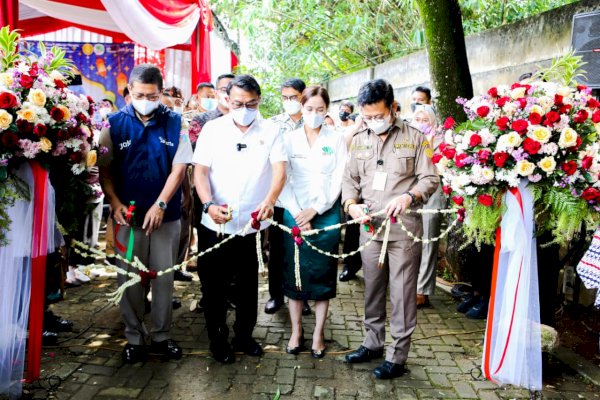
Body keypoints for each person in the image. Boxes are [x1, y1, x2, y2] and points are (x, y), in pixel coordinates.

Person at [342, 79, 438, 379]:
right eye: (367, 116)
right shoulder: (359, 138)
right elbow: (349, 180)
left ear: (393, 109)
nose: (372, 121)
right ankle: (371, 343)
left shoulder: (416, 137)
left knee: (402, 293)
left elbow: (430, 178)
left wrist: (409, 196)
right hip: (370, 228)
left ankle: (397, 356)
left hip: (404, 231)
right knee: (372, 289)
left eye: (378, 116)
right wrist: (351, 205)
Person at [98, 64, 192, 363]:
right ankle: (134, 338)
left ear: (160, 93)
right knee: (129, 278)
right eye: (139, 94)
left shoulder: (176, 123)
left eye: (151, 95)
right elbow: (105, 170)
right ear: (129, 93)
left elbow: (180, 168)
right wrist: (114, 203)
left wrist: (161, 204)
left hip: (166, 217)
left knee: (163, 279)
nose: (145, 99)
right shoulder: (113, 124)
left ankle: (162, 337)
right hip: (128, 217)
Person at [192, 74, 287, 364]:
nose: (244, 108)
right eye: (238, 103)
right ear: (227, 100)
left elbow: (280, 170)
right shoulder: (212, 129)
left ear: (259, 102)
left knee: (247, 285)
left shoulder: (271, 130)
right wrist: (208, 204)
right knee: (213, 285)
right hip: (215, 224)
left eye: (251, 103)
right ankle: (217, 339)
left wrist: (269, 201)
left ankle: (244, 336)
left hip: (253, 223)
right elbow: (200, 172)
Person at [278, 86, 347, 358]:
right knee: (293, 273)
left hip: (326, 213)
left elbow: (339, 178)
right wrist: (298, 212)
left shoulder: (337, 138)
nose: (314, 114)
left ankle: (318, 333)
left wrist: (315, 209)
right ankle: (296, 330)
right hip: (293, 212)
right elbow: (281, 178)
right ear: (301, 107)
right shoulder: (288, 139)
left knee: (322, 273)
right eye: (309, 109)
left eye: (320, 110)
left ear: (326, 109)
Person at [266, 78, 311, 317]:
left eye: (293, 97)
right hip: (280, 198)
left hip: (305, 199)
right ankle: (275, 295)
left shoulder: (316, 122)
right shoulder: (273, 124)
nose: (289, 102)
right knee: (277, 250)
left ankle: (300, 296)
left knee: (301, 250)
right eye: (284, 98)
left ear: (303, 96)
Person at [412, 104, 445, 308]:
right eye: (418, 119)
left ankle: (422, 290)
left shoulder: (442, 140)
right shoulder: (408, 138)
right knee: (410, 240)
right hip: (411, 193)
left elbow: (441, 166)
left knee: (428, 241)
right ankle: (407, 284)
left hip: (433, 195)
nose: (421, 124)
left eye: (425, 120)